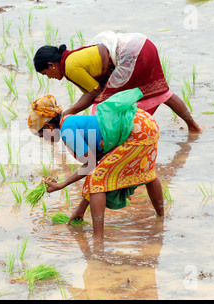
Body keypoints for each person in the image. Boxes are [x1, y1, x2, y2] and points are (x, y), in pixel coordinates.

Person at [27, 88, 164, 241]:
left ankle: (98, 239)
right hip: (144, 122)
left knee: (96, 180)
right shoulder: (70, 120)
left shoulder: (66, 130)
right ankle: (161, 218)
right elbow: (96, 162)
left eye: (42, 136)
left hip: (133, 130)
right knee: (147, 173)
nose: (45, 140)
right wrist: (80, 210)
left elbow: (90, 165)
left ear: (48, 127)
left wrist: (62, 184)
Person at [33, 30, 203, 133]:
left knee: (101, 107)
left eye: (46, 73)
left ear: (51, 65)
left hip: (131, 55)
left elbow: (94, 93)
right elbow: (92, 90)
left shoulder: (69, 66)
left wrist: (67, 113)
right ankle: (193, 126)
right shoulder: (71, 58)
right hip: (143, 45)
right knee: (161, 92)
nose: (49, 77)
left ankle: (111, 144)